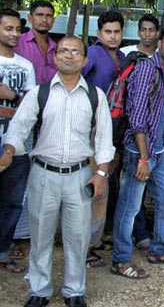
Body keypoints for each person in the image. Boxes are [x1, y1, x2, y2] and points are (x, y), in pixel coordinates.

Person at [1, 36, 114, 307]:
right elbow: (18, 127)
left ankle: (74, 291)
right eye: (63, 51)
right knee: (41, 235)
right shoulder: (40, 93)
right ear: (55, 58)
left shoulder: (95, 96)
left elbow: (104, 139)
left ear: (84, 60)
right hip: (44, 174)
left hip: (79, 176)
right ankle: (39, 291)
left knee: (78, 237)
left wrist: (101, 174)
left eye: (75, 52)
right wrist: (8, 150)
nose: (68, 56)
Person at [111, 26, 164, 280]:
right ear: (159, 43)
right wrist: (143, 157)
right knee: (129, 207)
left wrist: (161, 151)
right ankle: (120, 259)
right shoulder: (146, 69)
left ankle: (158, 250)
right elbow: (137, 116)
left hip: (158, 149)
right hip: (139, 151)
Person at [0, 9, 36, 276]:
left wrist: (10, 95)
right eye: (8, 28)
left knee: (12, 202)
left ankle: (2, 252)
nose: (14, 34)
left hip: (18, 143)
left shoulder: (26, 65)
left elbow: (29, 105)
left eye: (17, 30)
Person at [14, 0, 57, 84]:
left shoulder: (57, 48)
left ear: (53, 20)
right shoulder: (17, 43)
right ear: (30, 18)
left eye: (49, 16)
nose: (44, 20)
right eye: (39, 15)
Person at [83, 10, 125, 92]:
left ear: (122, 33)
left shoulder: (122, 56)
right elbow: (74, 78)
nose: (113, 36)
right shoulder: (92, 53)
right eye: (108, 32)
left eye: (117, 32)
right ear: (99, 34)